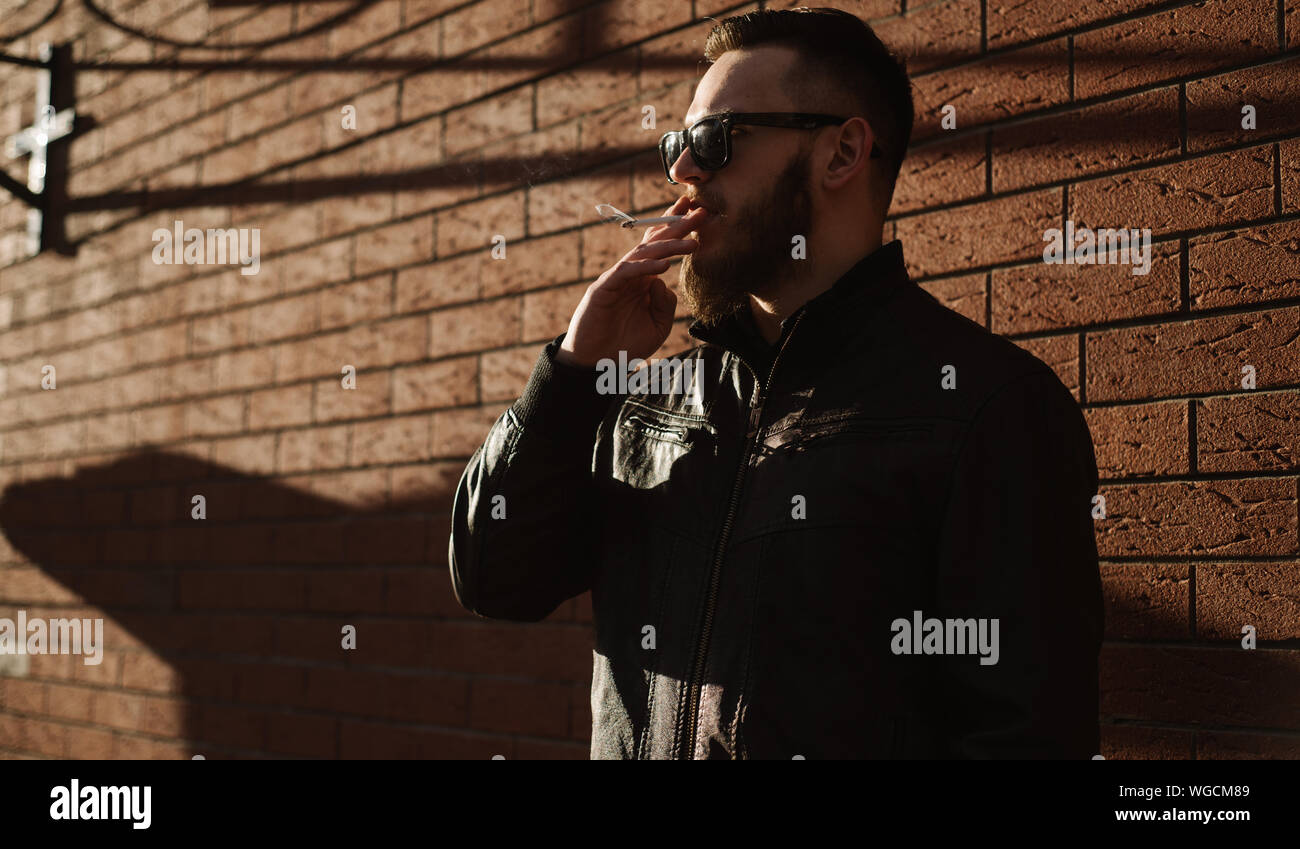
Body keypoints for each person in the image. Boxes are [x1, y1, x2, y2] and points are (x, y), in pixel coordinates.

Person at [449, 7, 1103, 759]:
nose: (682, 171)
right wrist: (573, 370)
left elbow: (1026, 736)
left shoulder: (988, 409)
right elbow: (493, 577)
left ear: (842, 152)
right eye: (677, 145)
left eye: (714, 141)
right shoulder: (644, 403)